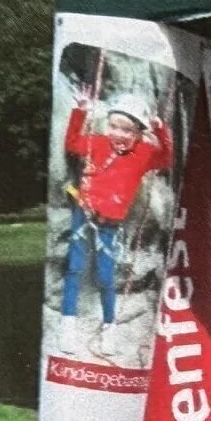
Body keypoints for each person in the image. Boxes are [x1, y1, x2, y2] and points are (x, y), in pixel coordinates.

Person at [59, 93, 173, 358]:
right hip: (83, 214)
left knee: (106, 277)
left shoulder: (144, 153)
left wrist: (159, 126)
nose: (119, 134)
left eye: (127, 129)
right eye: (114, 126)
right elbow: (73, 143)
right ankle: (68, 325)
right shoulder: (97, 144)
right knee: (74, 269)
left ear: (139, 132)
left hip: (109, 224)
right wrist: (80, 111)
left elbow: (167, 158)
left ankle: (109, 330)